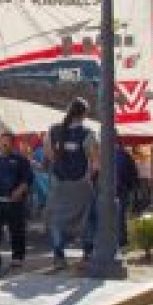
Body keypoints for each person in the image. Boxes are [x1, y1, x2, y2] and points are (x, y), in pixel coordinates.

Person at [44, 98, 98, 269]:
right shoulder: (88, 133)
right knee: (87, 218)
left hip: (59, 183)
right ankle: (87, 254)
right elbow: (95, 162)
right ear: (84, 114)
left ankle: (59, 256)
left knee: (56, 220)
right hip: (80, 183)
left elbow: (50, 156)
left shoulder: (52, 131)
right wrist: (89, 176)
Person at [0, 132, 33, 267]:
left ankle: (17, 256)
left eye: (7, 142)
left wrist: (19, 191)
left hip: (14, 201)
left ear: (12, 143)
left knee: (16, 230)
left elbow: (27, 179)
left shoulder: (21, 160)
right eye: (2, 141)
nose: (4, 144)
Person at [115, 139, 140, 249]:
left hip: (115, 189)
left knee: (116, 216)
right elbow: (133, 173)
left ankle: (119, 239)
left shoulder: (106, 155)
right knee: (120, 216)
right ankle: (121, 240)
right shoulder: (125, 156)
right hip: (122, 189)